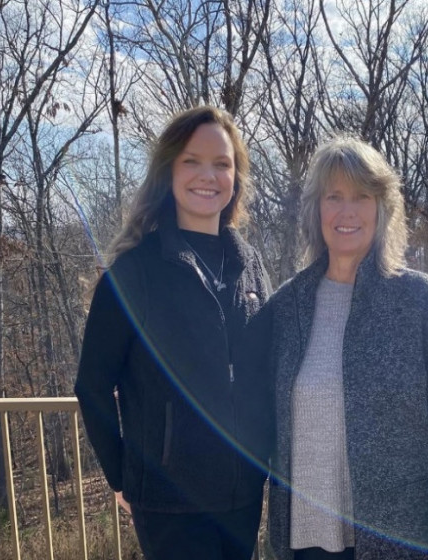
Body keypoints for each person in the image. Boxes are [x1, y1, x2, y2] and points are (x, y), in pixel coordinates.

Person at [267, 137, 428, 560]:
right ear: (316, 209)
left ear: (382, 208)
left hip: (399, 540)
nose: (347, 211)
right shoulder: (286, 306)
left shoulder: (422, 302)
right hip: (305, 541)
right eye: (334, 196)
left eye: (361, 197)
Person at [75, 105, 273, 560]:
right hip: (168, 502)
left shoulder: (249, 266)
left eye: (222, 163)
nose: (208, 175)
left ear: (236, 176)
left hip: (242, 493)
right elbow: (92, 384)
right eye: (192, 161)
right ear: (169, 171)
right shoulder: (134, 273)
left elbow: (265, 368)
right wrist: (121, 476)